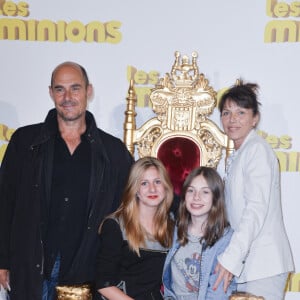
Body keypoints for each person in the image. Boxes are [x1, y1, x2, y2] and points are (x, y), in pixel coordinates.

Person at [0, 61, 133, 300]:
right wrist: (2, 260)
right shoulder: (25, 142)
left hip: (85, 272)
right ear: (51, 93)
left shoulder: (112, 151)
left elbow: (139, 198)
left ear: (88, 91)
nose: (67, 97)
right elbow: (4, 201)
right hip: (31, 270)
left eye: (75, 88)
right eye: (60, 89)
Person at [213, 80, 294, 299]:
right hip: (250, 263)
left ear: (254, 118)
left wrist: (230, 258)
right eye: (226, 113)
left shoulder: (257, 150)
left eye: (241, 112)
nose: (232, 119)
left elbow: (254, 210)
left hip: (263, 264)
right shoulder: (241, 153)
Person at [96, 156, 175, 300]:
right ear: (135, 189)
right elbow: (103, 284)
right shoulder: (115, 226)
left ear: (166, 186)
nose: (152, 189)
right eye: (144, 183)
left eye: (157, 182)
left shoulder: (173, 226)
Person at [162, 166, 236, 300]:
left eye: (205, 192)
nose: (196, 197)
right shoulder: (173, 230)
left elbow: (218, 293)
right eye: (191, 191)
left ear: (216, 197)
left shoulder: (226, 239)